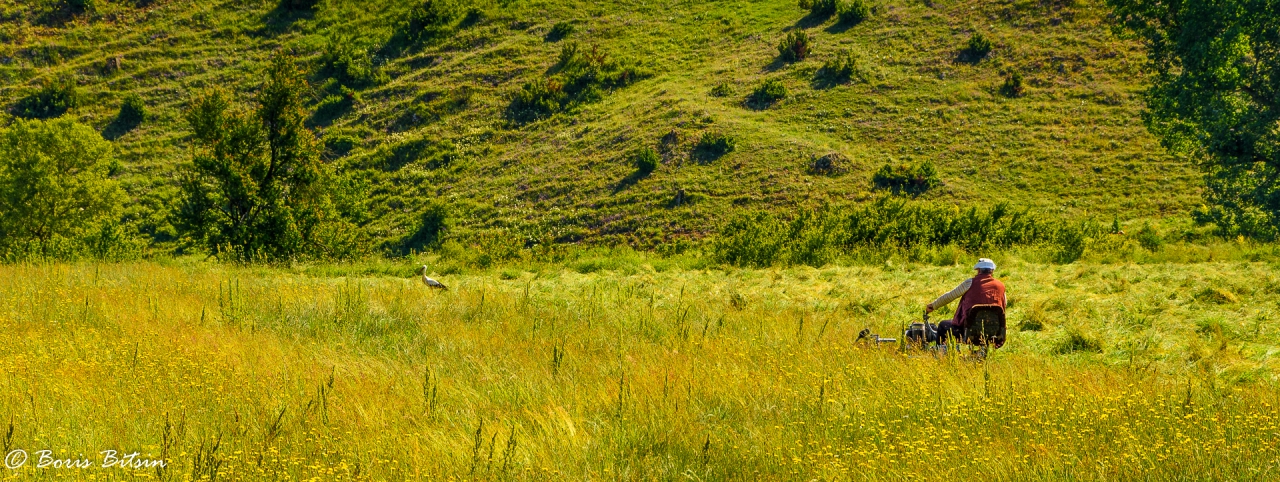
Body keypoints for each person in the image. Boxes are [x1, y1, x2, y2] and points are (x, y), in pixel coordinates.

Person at [925, 258, 1006, 345]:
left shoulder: (970, 283)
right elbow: (1004, 304)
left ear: (978, 270)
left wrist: (933, 306)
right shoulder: (1001, 286)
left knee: (943, 325)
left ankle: (941, 353)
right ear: (992, 271)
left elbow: (950, 296)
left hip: (967, 330)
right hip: (994, 332)